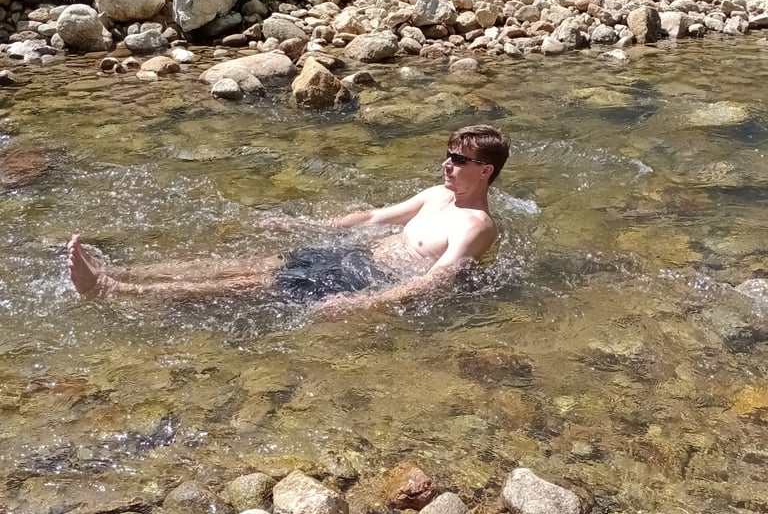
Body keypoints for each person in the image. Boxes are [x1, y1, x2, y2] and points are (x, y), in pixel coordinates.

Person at [67, 125, 510, 315]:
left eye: (459, 159)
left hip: (362, 281)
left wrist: (362, 304)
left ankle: (112, 292)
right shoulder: (437, 195)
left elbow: (436, 281)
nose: (447, 164)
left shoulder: (477, 227)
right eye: (448, 155)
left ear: (485, 171)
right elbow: (373, 216)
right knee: (246, 266)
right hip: (352, 257)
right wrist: (304, 225)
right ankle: (117, 273)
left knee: (245, 286)